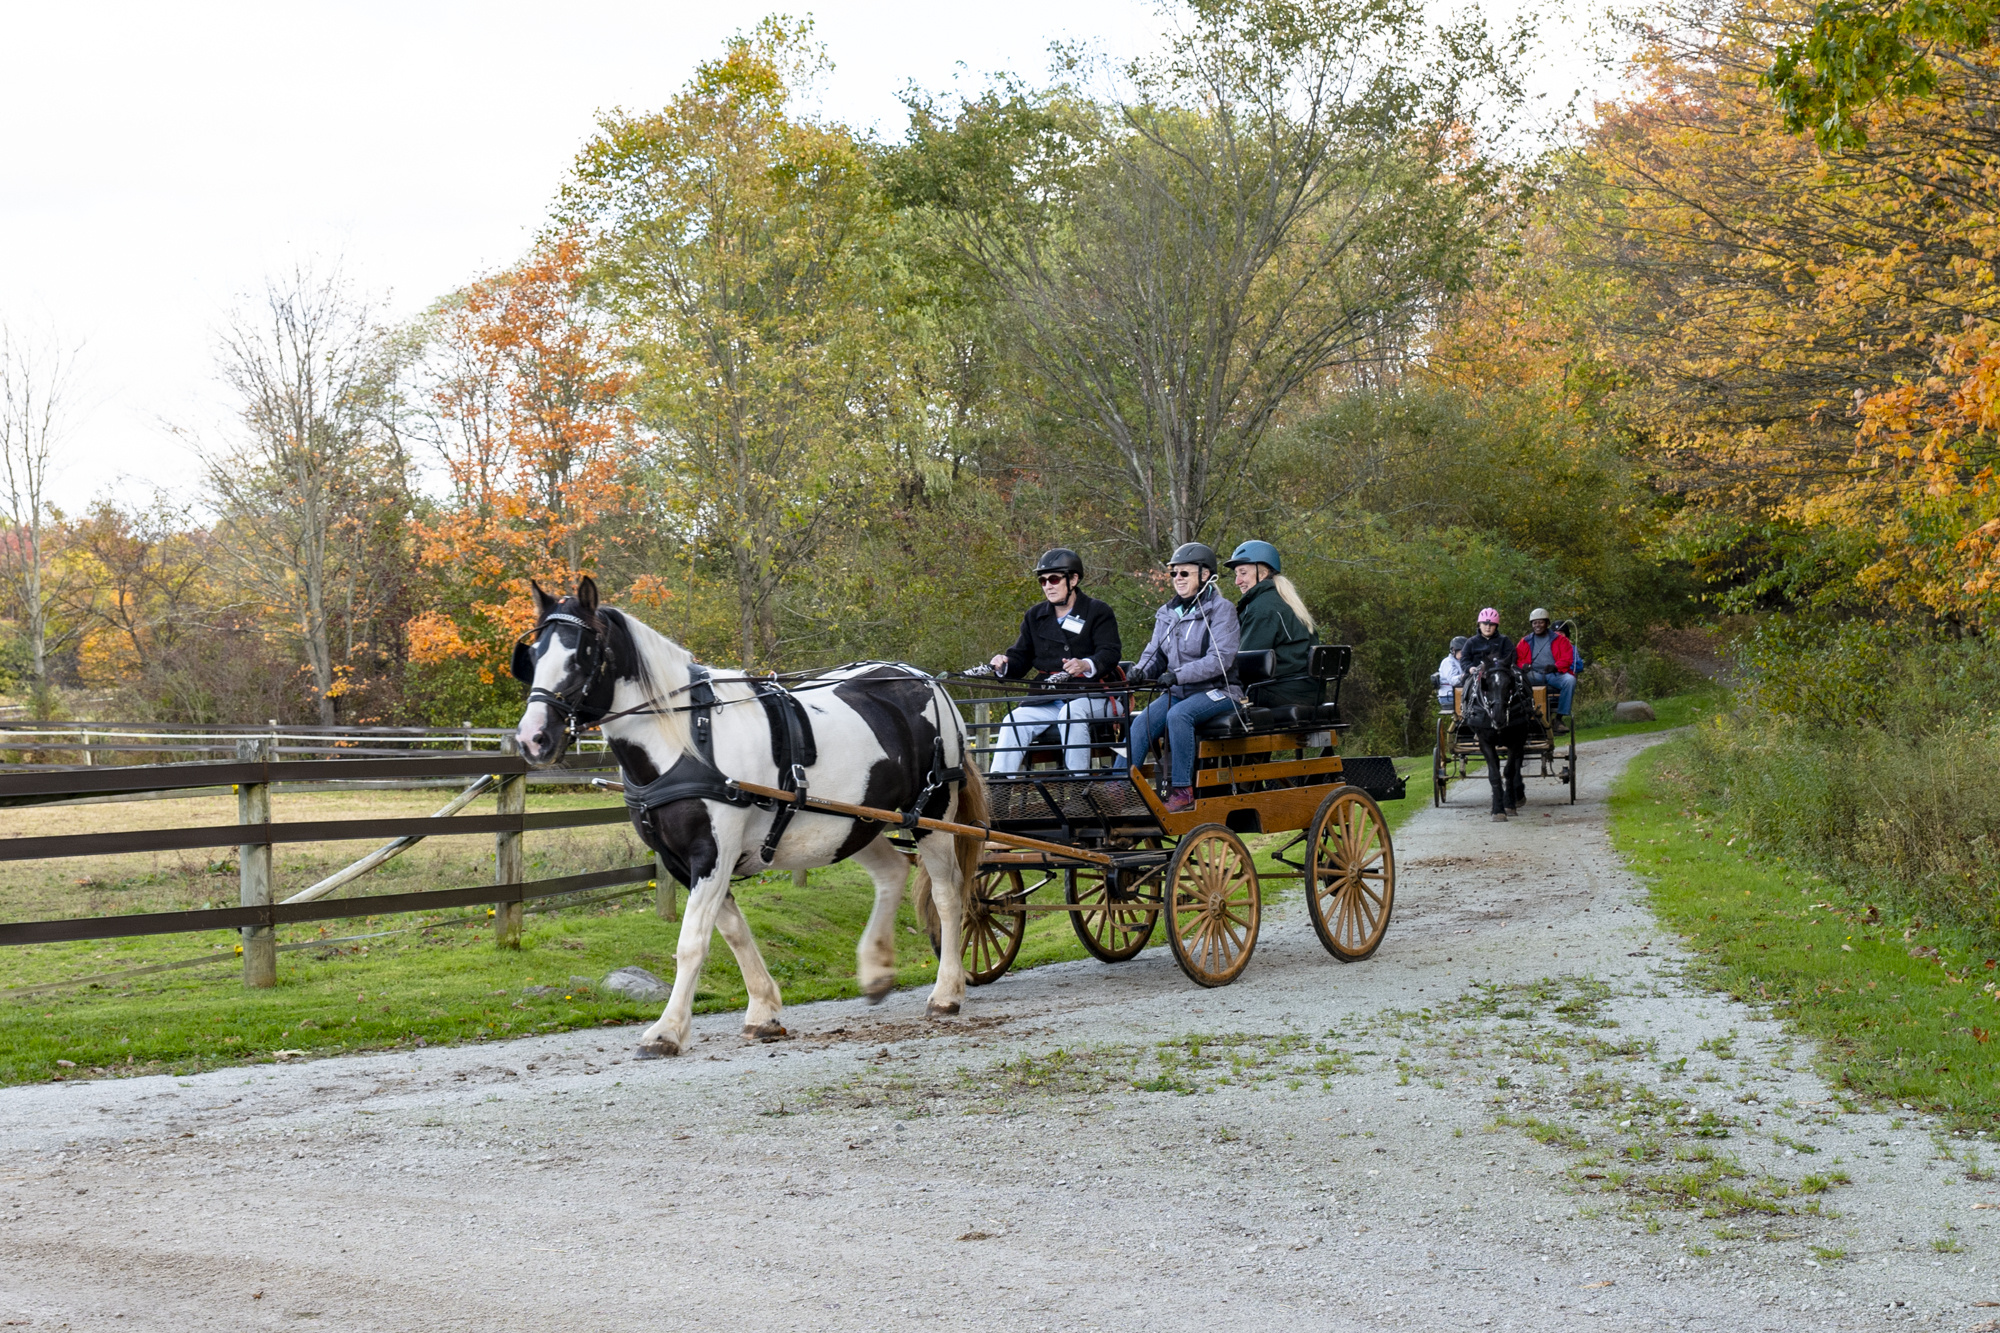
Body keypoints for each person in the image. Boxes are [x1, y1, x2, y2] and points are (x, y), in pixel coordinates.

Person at [1115, 542, 1240, 813]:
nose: (1178, 579)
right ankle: (1117, 789)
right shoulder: (1168, 613)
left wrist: (1177, 675)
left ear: (1205, 575)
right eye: (1174, 574)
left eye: (1185, 573)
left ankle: (1182, 791)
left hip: (1219, 691)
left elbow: (1220, 659)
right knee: (1141, 722)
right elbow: (1155, 654)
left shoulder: (1222, 610)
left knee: (1179, 716)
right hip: (1180, 692)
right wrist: (1140, 672)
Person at [986, 548, 1124, 774]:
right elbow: (1021, 657)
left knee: (1070, 714)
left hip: (1093, 694)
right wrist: (1005, 663)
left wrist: (1085, 664)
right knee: (1013, 720)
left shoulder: (1097, 611)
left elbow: (1110, 653)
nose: (1047, 585)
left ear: (1073, 579)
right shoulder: (1035, 616)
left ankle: (1078, 784)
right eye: (1042, 581)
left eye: (1054, 579)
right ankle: (1000, 790)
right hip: (1049, 698)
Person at [1223, 540, 1319, 707]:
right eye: (1236, 574)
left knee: (1203, 705)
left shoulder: (1262, 609)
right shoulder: (1284, 600)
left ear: (1263, 572)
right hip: (1307, 691)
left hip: (1281, 692)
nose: (1237, 581)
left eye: (1243, 573)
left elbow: (1246, 663)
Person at [1515, 607, 1577, 727]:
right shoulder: (1525, 641)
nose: (1537, 625)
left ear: (1547, 623)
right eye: (1535, 623)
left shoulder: (1560, 640)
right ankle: (1522, 715)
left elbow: (1567, 658)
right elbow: (1517, 659)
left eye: (1541, 622)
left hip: (1554, 674)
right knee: (1517, 680)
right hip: (1533, 674)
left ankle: (1559, 718)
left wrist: (1555, 666)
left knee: (1569, 681)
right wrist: (1524, 666)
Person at [1435, 635, 1469, 710]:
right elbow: (1453, 681)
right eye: (1462, 652)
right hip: (1449, 695)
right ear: (1453, 650)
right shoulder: (1447, 662)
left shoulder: (1461, 661)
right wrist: (1462, 676)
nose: (1464, 655)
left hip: (1459, 692)